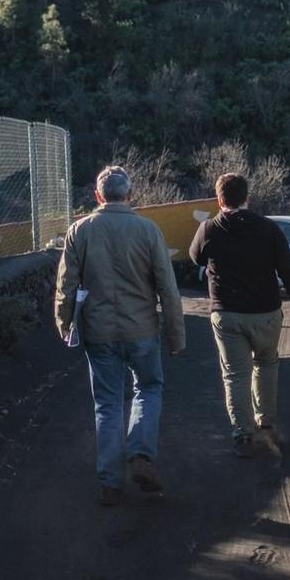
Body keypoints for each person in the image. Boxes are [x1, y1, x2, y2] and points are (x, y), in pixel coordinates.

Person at [54, 165, 187, 506]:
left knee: (108, 404)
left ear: (98, 196)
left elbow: (66, 285)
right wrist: (175, 335)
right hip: (142, 328)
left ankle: (110, 483)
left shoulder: (79, 231)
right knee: (149, 388)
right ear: (129, 195)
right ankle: (140, 453)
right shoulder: (147, 230)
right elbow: (167, 288)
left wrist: (64, 323)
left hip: (99, 332)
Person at [188, 172, 290, 458]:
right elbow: (288, 269)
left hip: (227, 314)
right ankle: (265, 424)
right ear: (246, 198)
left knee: (235, 375)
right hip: (266, 311)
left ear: (219, 199)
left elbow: (195, 257)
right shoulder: (268, 229)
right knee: (266, 364)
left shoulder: (209, 229)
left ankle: (242, 435)